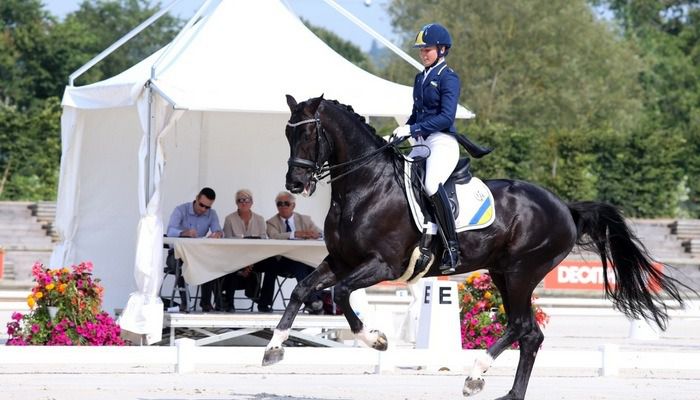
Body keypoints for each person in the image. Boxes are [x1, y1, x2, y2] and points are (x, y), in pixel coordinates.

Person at [392, 23, 461, 274]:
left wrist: (412, 129)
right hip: (420, 141)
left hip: (441, 141)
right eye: (421, 49)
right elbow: (415, 114)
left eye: (427, 49)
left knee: (431, 185)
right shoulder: (421, 77)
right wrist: (402, 131)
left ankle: (452, 248)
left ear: (442, 50)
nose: (423, 53)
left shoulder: (448, 77)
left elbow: (445, 117)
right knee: (397, 179)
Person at [255, 191, 323, 313]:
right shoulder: (271, 222)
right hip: (282, 261)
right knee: (297, 265)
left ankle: (315, 301)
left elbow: (321, 234)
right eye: (279, 204)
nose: (283, 206)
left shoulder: (304, 219)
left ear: (293, 205)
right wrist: (294, 234)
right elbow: (274, 236)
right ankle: (312, 301)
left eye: (286, 203)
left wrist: (315, 234)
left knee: (312, 265)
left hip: (302, 259)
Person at [165, 187, 223, 312]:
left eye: (207, 207)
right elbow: (169, 231)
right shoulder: (181, 210)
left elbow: (218, 230)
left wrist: (217, 234)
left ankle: (206, 303)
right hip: (176, 255)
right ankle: (185, 302)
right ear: (196, 198)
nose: (203, 209)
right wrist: (184, 232)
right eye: (202, 205)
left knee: (211, 263)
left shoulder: (212, 214)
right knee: (180, 263)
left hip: (198, 255)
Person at [220, 189, 267, 312]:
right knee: (231, 267)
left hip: (255, 259)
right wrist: (242, 263)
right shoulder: (229, 219)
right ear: (236, 203)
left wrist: (250, 264)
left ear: (252, 202)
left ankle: (264, 302)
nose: (244, 203)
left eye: (246, 200)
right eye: (240, 200)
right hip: (235, 258)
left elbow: (263, 243)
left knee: (271, 265)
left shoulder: (260, 219)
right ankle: (229, 304)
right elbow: (228, 244)